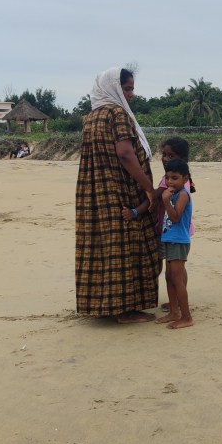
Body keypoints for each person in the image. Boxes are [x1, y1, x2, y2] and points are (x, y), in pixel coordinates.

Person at [74, 67, 160, 323]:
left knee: (102, 245)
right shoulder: (117, 113)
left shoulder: (91, 117)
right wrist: (148, 187)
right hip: (121, 189)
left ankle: (103, 304)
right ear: (113, 88)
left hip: (95, 193)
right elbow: (125, 153)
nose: (131, 94)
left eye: (132, 89)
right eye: (126, 88)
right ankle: (126, 309)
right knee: (128, 244)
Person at [124, 137, 196, 313]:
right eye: (164, 154)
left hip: (176, 232)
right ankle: (175, 304)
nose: (165, 159)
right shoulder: (172, 178)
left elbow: (158, 199)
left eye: (171, 156)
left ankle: (181, 308)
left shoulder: (174, 185)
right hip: (170, 231)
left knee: (175, 274)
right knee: (174, 272)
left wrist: (136, 210)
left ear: (182, 160)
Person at [158, 158, 194, 329]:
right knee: (169, 277)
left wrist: (165, 200)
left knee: (177, 279)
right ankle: (174, 312)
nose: (170, 182)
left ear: (185, 179)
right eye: (167, 178)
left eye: (174, 178)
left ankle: (186, 317)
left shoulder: (183, 195)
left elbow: (175, 217)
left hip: (178, 241)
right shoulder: (173, 193)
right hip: (169, 239)